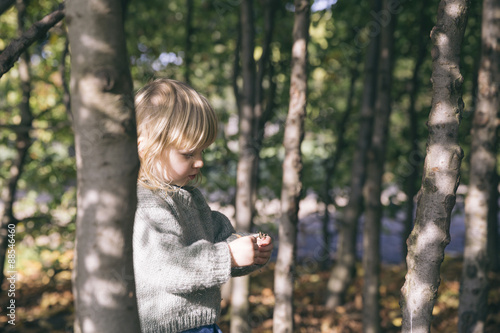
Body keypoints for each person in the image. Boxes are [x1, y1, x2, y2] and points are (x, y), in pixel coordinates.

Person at [133, 78, 273, 333]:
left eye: (202, 152)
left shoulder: (189, 198)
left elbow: (218, 239)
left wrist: (248, 251)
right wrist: (228, 256)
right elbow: (169, 268)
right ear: (146, 149)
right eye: (188, 154)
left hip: (202, 325)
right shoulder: (145, 205)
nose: (199, 162)